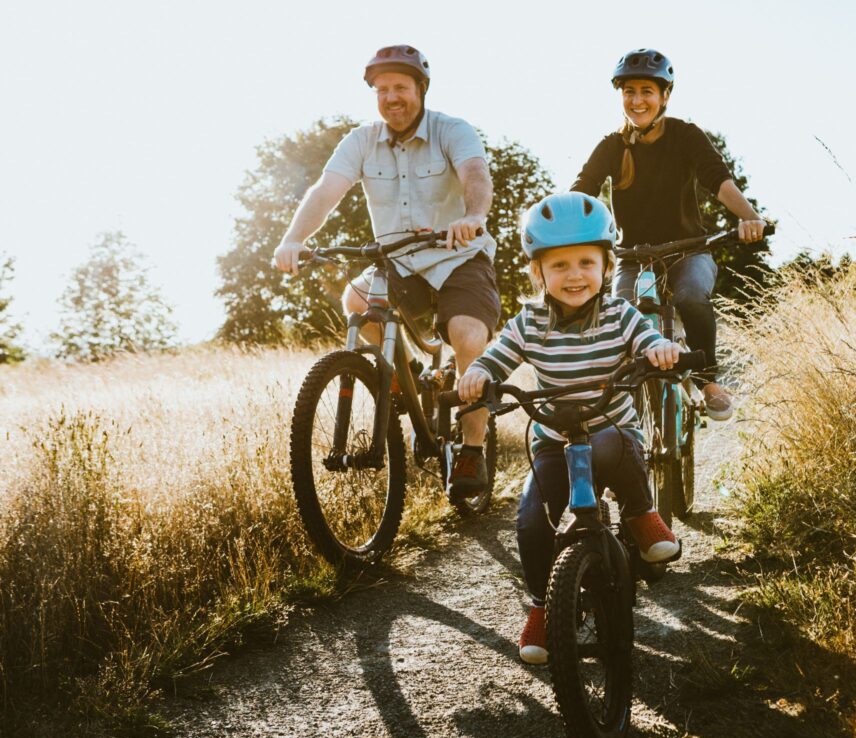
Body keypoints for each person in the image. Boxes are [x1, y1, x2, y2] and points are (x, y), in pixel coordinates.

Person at [458, 192, 683, 664]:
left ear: (606, 266)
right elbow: (498, 356)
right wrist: (479, 373)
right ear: (538, 273)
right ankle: (543, 604)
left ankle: (641, 513)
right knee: (531, 521)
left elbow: (647, 337)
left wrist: (659, 350)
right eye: (559, 265)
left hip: (609, 435)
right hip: (553, 443)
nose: (574, 275)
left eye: (586, 261)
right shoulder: (530, 321)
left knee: (616, 441)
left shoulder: (620, 314)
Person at [273, 44, 499, 495]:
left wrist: (473, 217)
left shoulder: (452, 131)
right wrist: (292, 238)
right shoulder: (361, 140)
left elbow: (476, 174)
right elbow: (325, 190)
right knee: (356, 300)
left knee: (469, 338)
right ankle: (410, 380)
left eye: (400, 87)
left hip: (457, 258)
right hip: (396, 261)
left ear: (421, 89)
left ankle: (472, 451)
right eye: (381, 89)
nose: (391, 97)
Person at [571, 48, 766, 421]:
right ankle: (616, 403)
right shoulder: (612, 145)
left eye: (647, 91)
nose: (637, 100)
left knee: (692, 296)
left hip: (689, 249)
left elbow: (717, 179)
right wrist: (564, 228)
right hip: (632, 256)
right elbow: (584, 188)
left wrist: (750, 218)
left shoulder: (685, 136)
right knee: (620, 314)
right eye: (629, 91)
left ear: (664, 96)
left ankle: (708, 381)